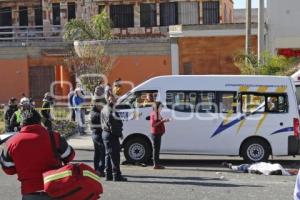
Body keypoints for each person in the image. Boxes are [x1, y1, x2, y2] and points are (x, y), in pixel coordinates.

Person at [0, 109, 75, 200]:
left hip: (29, 192)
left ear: (21, 124)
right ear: (40, 122)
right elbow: (69, 155)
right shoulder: (54, 136)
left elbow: (8, 169)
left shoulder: (11, 142)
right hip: (55, 189)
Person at [101, 95, 127, 182]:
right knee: (115, 156)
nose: (117, 102)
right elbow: (113, 125)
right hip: (111, 135)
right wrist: (119, 134)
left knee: (108, 155)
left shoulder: (104, 108)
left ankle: (108, 175)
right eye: (116, 101)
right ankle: (117, 175)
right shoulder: (111, 111)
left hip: (105, 133)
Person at [150, 102, 170, 169]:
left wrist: (164, 120)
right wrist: (162, 121)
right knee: (156, 149)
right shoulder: (154, 114)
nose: (162, 108)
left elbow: (158, 122)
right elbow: (153, 124)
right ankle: (156, 164)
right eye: (161, 107)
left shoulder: (157, 114)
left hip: (158, 133)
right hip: (156, 133)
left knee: (157, 149)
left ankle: (156, 164)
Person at [90, 100, 105, 177]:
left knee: (97, 153)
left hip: (95, 134)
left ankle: (96, 169)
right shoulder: (97, 114)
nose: (102, 107)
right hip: (98, 135)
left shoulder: (94, 112)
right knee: (102, 153)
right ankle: (100, 170)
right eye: (101, 105)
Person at [222, 162, 292, 175]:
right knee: (245, 167)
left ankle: (231, 166)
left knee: (244, 166)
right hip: (259, 166)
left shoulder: (278, 167)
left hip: (258, 165)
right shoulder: (278, 168)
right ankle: (231, 166)